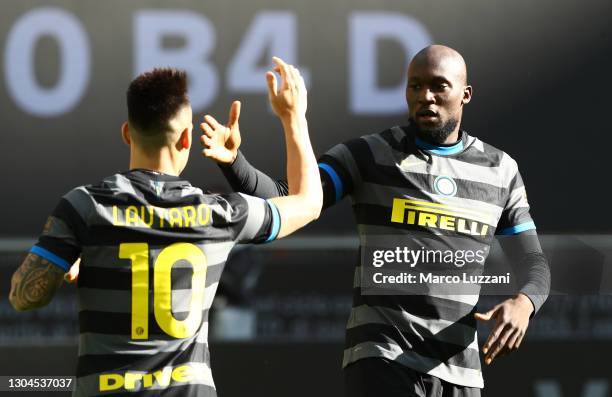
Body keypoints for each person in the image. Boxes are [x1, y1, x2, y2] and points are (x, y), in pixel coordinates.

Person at [202, 45, 551, 396]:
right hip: (383, 362)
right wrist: (235, 163)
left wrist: (525, 304)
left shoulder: (500, 170)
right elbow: (293, 196)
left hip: (461, 373)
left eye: (438, 86)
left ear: (465, 94)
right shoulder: (369, 155)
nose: (425, 97)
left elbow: (533, 263)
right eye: (415, 86)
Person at [9, 57, 322, 396]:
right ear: (187, 138)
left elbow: (24, 298)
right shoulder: (221, 213)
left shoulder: (85, 206)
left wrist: (65, 265)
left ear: (127, 133)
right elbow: (309, 202)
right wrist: (293, 118)